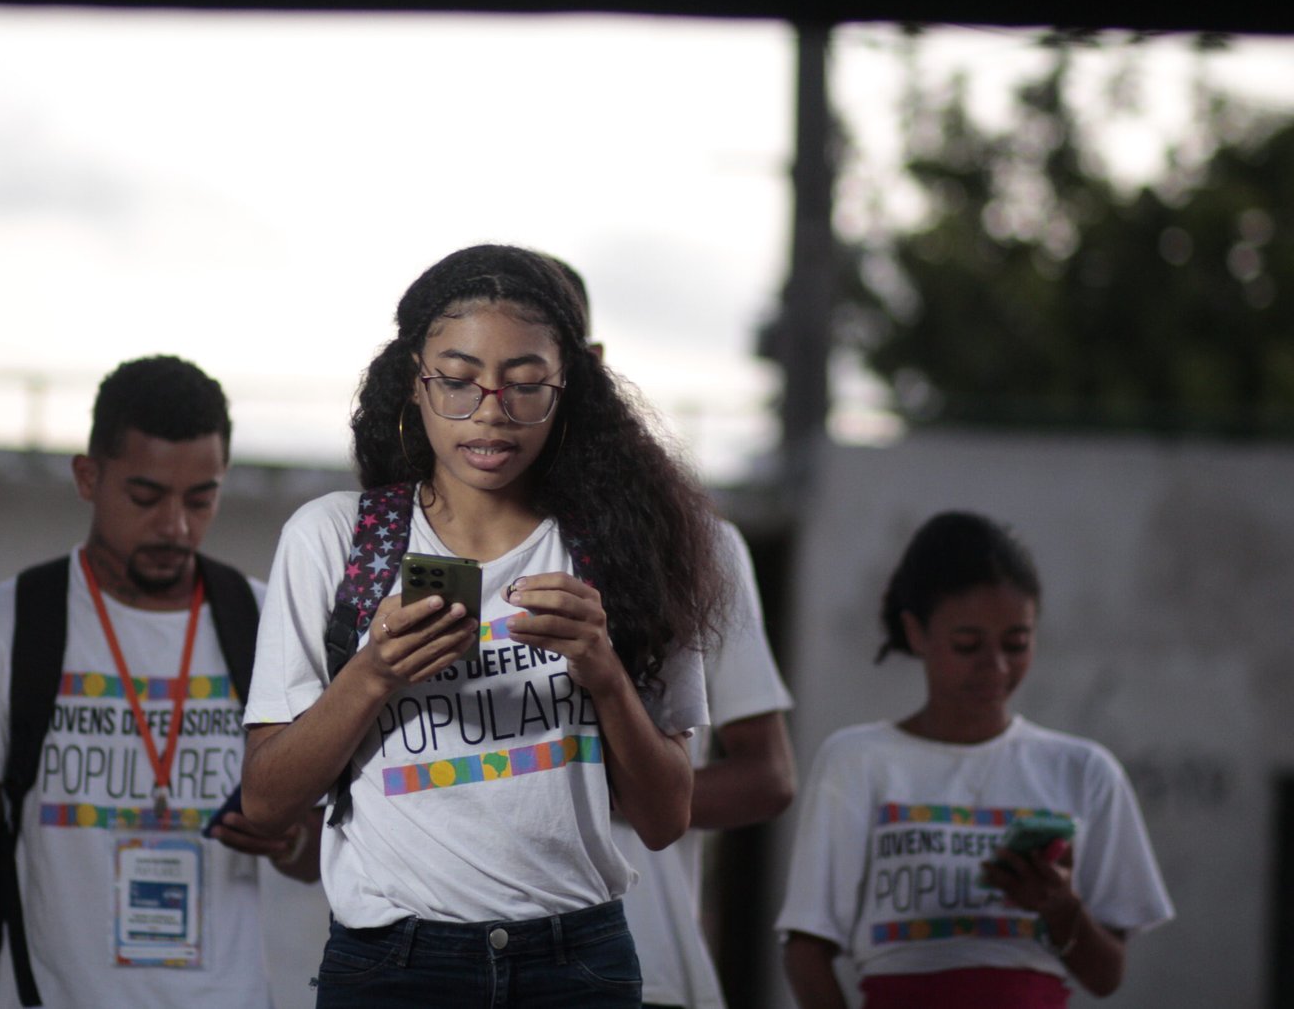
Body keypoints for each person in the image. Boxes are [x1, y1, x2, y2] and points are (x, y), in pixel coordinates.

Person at [240, 244, 731, 1007]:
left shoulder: (627, 548)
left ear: (568, 388)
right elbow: (266, 802)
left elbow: (667, 817)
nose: (492, 411)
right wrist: (372, 673)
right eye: (458, 379)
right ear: (415, 379)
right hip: (394, 963)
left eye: (526, 383)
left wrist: (604, 673)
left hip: (578, 963)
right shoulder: (335, 538)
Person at [0, 355, 319, 1009]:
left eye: (201, 499)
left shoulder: (265, 619)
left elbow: (318, 854)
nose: (175, 526)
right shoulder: (4, 625)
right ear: (88, 476)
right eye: (146, 497)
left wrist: (289, 841)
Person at [775, 511, 1173, 1009]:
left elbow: (1107, 975)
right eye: (967, 645)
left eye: (1016, 643)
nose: (996, 666)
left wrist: (1060, 908)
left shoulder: (1085, 772)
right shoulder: (858, 761)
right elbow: (806, 948)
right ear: (916, 633)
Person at [548, 254, 797, 1009]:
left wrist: (585, 796)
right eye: (472, 366)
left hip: (638, 963)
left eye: (532, 361)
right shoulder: (408, 546)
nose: (503, 394)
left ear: (590, 363)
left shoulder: (686, 542)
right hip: (453, 968)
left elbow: (767, 776)